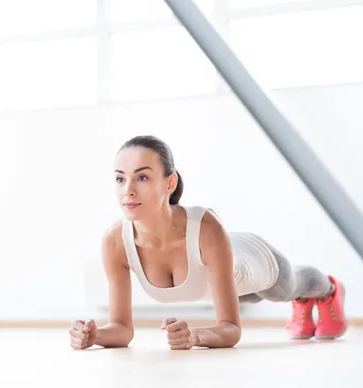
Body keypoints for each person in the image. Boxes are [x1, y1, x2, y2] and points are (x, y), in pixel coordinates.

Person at [69, 135, 347, 351]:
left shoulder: (206, 226)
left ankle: (329, 290)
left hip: (251, 261)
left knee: (289, 287)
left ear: (169, 183)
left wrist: (195, 336)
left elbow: (231, 328)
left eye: (142, 177)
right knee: (251, 295)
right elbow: (121, 329)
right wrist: (96, 335)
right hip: (218, 278)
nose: (127, 190)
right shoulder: (114, 241)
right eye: (120, 178)